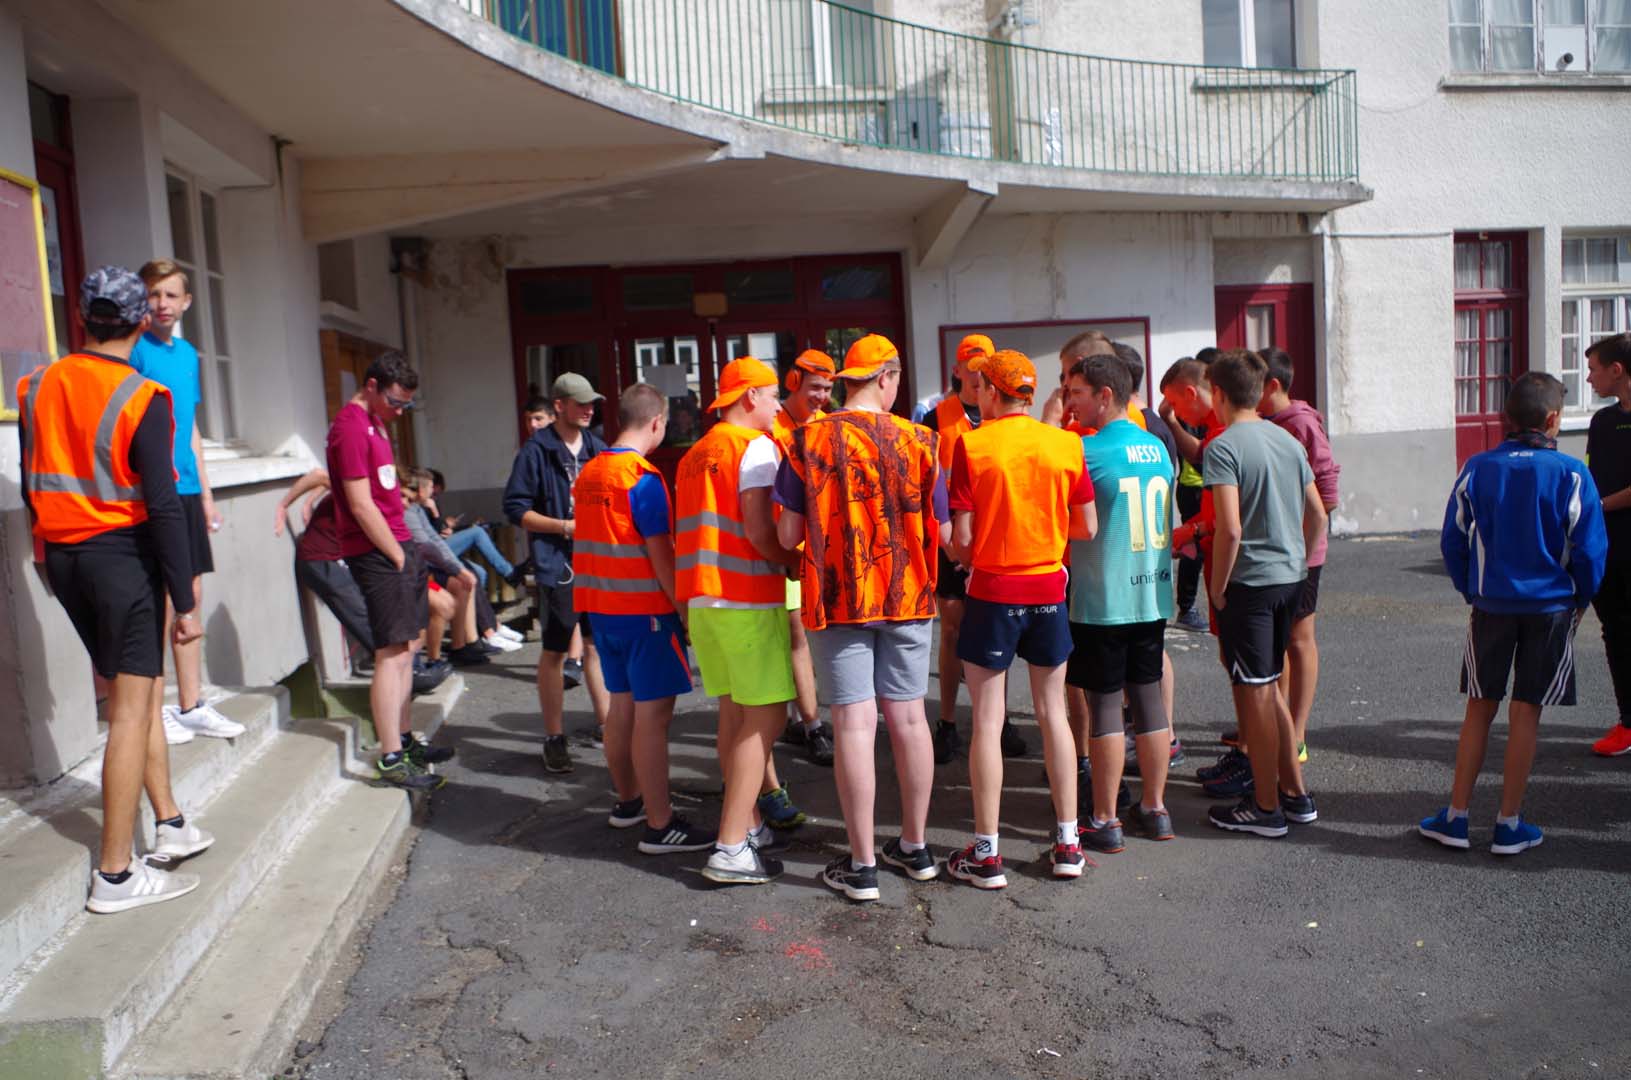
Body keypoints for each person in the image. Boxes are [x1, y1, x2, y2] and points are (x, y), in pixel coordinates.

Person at [18, 266, 215, 912]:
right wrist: (185, 602)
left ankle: (171, 821)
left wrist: (51, 561)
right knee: (130, 710)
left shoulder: (35, 384)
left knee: (144, 690)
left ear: (81, 318)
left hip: (65, 559)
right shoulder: (142, 396)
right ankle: (116, 874)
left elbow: (29, 486)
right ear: (138, 322)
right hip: (123, 559)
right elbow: (162, 505)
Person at [775, 335, 945, 901]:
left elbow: (786, 534)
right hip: (908, 596)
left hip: (837, 598)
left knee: (853, 723)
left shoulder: (806, 440)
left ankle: (863, 864)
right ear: (888, 378)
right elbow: (942, 535)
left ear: (850, 379)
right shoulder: (923, 441)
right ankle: (916, 848)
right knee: (910, 720)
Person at [1422, 372, 1606, 854]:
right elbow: (1589, 551)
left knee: (1479, 707)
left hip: (1492, 606)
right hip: (1550, 609)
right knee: (1528, 712)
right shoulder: (1572, 474)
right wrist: (1580, 600)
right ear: (1552, 420)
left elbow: (1453, 540)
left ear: (1508, 416)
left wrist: (1472, 590)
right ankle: (1508, 823)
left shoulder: (1477, 467)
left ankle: (1456, 818)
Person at [944, 349, 1097, 888]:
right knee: (1053, 713)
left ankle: (988, 854)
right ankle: (1068, 842)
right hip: (1047, 589)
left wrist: (976, 549)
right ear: (1029, 394)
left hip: (991, 590)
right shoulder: (1065, 444)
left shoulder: (973, 443)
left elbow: (961, 541)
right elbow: (1088, 527)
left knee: (987, 719)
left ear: (988, 389)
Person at [573, 383, 716, 854]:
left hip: (602, 611)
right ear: (657, 424)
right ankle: (661, 825)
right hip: (646, 615)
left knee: (622, 708)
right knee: (652, 721)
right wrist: (684, 609)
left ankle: (629, 803)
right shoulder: (643, 480)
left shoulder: (590, 472)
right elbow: (661, 556)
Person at [677, 357, 804, 886]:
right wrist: (794, 561)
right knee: (769, 715)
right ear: (750, 396)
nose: (779, 406)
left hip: (704, 601)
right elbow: (758, 530)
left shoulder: (696, 453)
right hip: (747, 596)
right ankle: (731, 845)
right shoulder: (753, 446)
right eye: (775, 396)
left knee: (734, 714)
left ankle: (745, 826)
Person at [1200, 350, 1326, 838]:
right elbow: (1318, 513)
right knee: (1270, 684)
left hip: (1249, 584)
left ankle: (1266, 807)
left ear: (1218, 394)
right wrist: (1298, 555)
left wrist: (1217, 588)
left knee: (1256, 691)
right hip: (1290, 578)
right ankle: (1295, 794)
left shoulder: (1224, 446)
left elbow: (1229, 528)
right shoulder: (1286, 438)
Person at [1064, 355, 1177, 852]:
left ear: (1105, 396)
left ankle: (1105, 818)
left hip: (1104, 598)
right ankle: (1155, 808)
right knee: (1149, 701)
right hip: (1150, 592)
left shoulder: (1086, 452)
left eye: (1078, 393)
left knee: (1106, 705)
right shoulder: (1156, 446)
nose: (1072, 403)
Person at [326, 350, 453, 791]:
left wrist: (407, 549)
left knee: (407, 648)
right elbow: (360, 504)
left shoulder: (376, 422)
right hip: (379, 552)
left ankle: (404, 739)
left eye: (406, 406)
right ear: (373, 386)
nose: (399, 413)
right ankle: (390, 756)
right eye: (395, 402)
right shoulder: (348, 428)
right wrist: (396, 556)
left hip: (398, 545)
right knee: (391, 652)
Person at [130, 259, 244, 742]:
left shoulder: (188, 354)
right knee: (156, 598)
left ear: (186, 302)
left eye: (171, 295)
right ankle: (152, 708)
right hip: (150, 491)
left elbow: (190, 427)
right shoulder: (134, 349)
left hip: (188, 489)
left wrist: (208, 496)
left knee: (190, 597)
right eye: (154, 294)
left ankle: (191, 703)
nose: (162, 304)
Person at [924, 334, 1027, 764]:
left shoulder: (1004, 416)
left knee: (994, 634)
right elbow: (927, 485)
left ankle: (998, 721)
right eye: (970, 364)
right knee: (952, 630)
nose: (976, 372)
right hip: (951, 540)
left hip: (994, 539)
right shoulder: (935, 418)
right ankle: (947, 722)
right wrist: (946, 542)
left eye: (983, 365)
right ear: (957, 369)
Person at [502, 372, 612, 772]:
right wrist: (564, 526)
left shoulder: (598, 448)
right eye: (580, 402)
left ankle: (608, 724)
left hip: (596, 562)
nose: (588, 409)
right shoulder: (536, 452)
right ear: (559, 406)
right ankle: (554, 736)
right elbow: (515, 509)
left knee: (598, 647)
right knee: (553, 651)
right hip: (557, 565)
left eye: (591, 403)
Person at [1257, 348, 1341, 766]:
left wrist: (1307, 545)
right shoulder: (1265, 423)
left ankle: (1298, 732)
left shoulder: (1301, 423)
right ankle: (1277, 720)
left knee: (1299, 639)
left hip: (1302, 554)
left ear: (1272, 386)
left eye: (1255, 386)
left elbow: (1327, 488)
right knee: (1279, 640)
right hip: (1276, 552)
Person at [769, 349, 837, 767]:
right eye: (815, 388)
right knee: (796, 636)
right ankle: (811, 725)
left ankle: (801, 717)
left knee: (800, 637)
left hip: (813, 546)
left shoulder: (824, 424)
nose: (822, 397)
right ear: (793, 382)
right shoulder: (771, 425)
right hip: (783, 546)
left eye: (829, 389)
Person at [1584, 334, 1631, 757]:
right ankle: (1627, 722)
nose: (1588, 377)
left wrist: (1596, 505)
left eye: (1594, 368)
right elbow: (1591, 476)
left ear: (1617, 371)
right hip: (1610, 548)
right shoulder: (1602, 422)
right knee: (1615, 632)